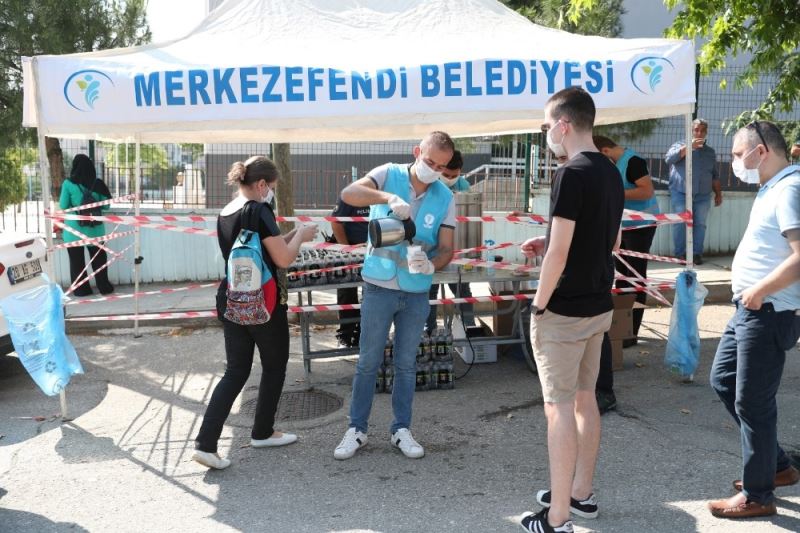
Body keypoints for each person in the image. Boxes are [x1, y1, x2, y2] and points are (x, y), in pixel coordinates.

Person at [518, 87, 624, 533]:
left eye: (547, 125)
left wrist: (538, 305)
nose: (546, 133)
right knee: (585, 399)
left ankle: (557, 517)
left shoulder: (570, 173)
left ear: (563, 125)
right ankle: (580, 494)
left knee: (558, 407)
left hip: (564, 311)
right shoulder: (611, 171)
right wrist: (547, 241)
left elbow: (560, 254)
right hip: (599, 305)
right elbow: (610, 239)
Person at [333, 131, 456, 461]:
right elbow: (349, 193)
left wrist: (431, 264)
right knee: (368, 362)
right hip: (379, 286)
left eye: (441, 167)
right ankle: (356, 429)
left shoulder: (445, 196)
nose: (434, 170)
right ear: (417, 152)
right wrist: (387, 198)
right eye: (430, 162)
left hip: (416, 292)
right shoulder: (389, 174)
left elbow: (447, 248)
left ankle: (401, 429)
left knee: (405, 364)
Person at [193, 156, 319, 470]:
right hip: (264, 303)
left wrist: (290, 236)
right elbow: (283, 259)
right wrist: (301, 235)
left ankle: (206, 444)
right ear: (262, 184)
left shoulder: (226, 211)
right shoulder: (259, 210)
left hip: (234, 299)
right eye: (271, 187)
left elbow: (263, 251)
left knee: (235, 371)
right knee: (274, 366)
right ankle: (263, 431)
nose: (271, 193)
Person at [707, 121, 800, 519]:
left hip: (767, 310)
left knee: (752, 401)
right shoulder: (772, 187)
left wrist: (760, 290)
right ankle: (776, 466)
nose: (732, 162)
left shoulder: (790, 189)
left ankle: (758, 495)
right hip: (749, 308)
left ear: (760, 151)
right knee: (723, 380)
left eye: (736, 153)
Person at [592, 135, 661, 413]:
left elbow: (646, 191)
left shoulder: (633, 162)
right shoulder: (616, 163)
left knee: (634, 277)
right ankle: (623, 329)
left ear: (605, 150)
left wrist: (615, 192)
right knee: (622, 277)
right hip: (626, 225)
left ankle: (631, 332)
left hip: (641, 226)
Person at [426, 149, 475, 334]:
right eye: (446, 175)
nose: (450, 179)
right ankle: (429, 333)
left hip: (457, 250)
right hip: (432, 250)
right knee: (430, 293)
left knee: (462, 291)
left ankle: (469, 329)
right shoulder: (429, 185)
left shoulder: (464, 186)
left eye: (454, 176)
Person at [664, 118, 722, 265]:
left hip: (703, 195)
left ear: (706, 132)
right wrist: (688, 147)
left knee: (700, 224)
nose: (699, 133)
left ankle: (696, 254)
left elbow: (714, 174)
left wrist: (718, 193)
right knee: (680, 222)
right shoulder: (679, 145)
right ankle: (680, 255)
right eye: (696, 130)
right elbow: (669, 159)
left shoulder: (710, 152)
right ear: (691, 131)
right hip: (680, 192)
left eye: (702, 130)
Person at [59, 154, 114, 297]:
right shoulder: (98, 183)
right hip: (95, 229)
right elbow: (107, 206)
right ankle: (104, 286)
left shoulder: (68, 184)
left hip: (74, 230)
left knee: (76, 262)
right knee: (99, 259)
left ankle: (81, 290)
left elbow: (63, 206)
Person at [330, 197, 370, 347]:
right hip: (350, 250)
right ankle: (345, 335)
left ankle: (362, 334)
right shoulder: (351, 195)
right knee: (346, 293)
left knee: (371, 295)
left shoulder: (384, 195)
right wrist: (347, 250)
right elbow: (336, 222)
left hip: (374, 252)